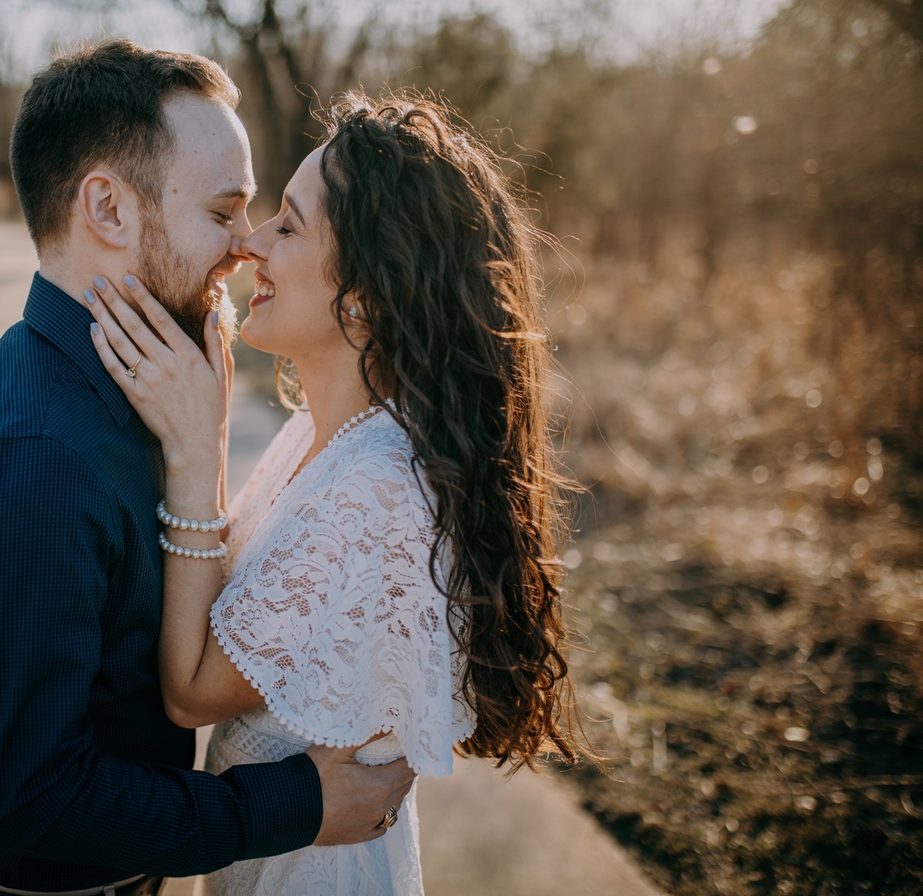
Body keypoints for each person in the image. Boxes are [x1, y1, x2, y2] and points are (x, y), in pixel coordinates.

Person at [0, 42, 416, 896]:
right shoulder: (35, 460)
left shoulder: (145, 389)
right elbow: (30, 800)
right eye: (223, 211)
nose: (246, 248)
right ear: (108, 207)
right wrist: (295, 804)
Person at [80, 91, 583, 895]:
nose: (249, 245)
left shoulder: (375, 488)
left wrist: (193, 449)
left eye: (288, 225)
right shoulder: (323, 436)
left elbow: (192, 689)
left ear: (366, 296)